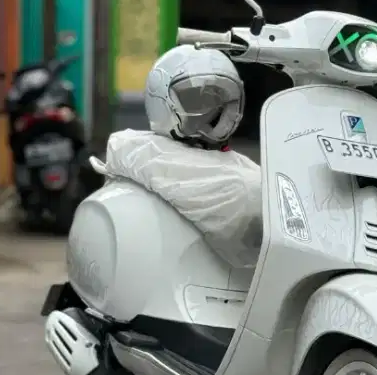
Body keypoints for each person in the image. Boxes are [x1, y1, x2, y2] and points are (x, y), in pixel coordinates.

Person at [103, 45, 262, 268]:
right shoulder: (154, 156)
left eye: (218, 100)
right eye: (195, 100)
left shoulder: (136, 150)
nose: (209, 111)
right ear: (162, 101)